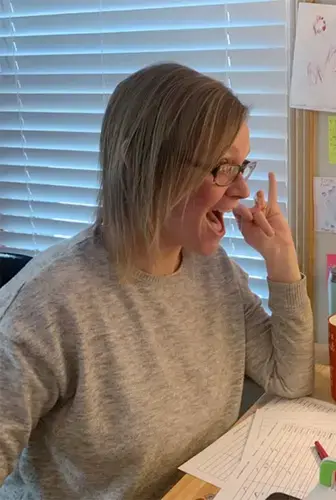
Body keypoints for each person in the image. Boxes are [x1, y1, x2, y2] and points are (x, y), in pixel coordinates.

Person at [0, 63, 314, 499]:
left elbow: (290, 377)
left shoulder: (215, 272)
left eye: (244, 166)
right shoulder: (44, 307)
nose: (242, 190)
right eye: (224, 168)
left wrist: (283, 261)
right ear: (147, 167)